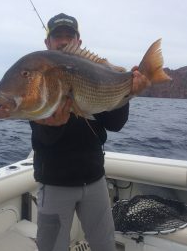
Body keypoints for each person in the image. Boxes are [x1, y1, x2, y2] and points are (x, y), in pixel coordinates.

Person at [30, 13, 148, 251]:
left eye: (69, 36)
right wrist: (52, 124)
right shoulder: (39, 76)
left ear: (78, 42)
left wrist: (129, 93)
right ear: (48, 43)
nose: (63, 41)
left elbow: (114, 124)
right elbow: (42, 139)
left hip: (94, 179)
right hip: (54, 183)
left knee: (105, 245)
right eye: (57, 36)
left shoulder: (95, 72)